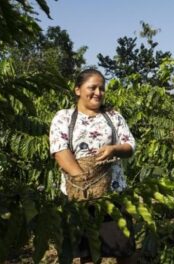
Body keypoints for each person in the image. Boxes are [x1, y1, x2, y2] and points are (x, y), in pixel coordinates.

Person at [49, 69, 136, 264]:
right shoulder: (63, 117)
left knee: (124, 249)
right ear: (78, 90)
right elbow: (60, 150)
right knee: (87, 253)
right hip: (78, 195)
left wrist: (114, 149)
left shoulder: (114, 117)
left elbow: (130, 146)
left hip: (113, 193)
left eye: (102, 88)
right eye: (92, 87)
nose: (98, 93)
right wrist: (84, 182)